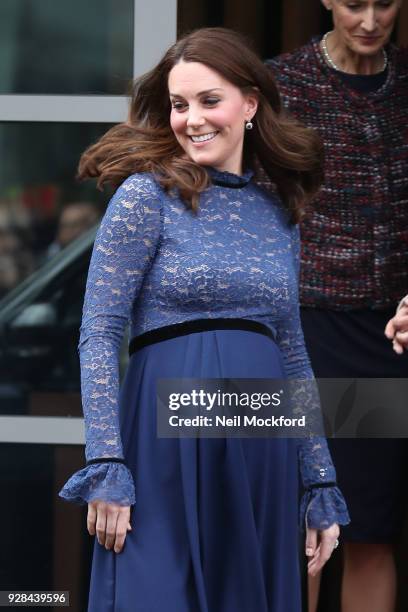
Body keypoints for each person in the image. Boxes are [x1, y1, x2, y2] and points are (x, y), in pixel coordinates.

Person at [59, 28, 349, 612]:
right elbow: (99, 332)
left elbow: (292, 349)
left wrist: (320, 480)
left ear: (250, 104)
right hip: (163, 443)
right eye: (178, 104)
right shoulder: (145, 197)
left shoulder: (278, 215)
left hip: (262, 446)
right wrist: (106, 460)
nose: (192, 119)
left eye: (208, 101)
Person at [266, 2, 408, 611]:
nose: (371, 19)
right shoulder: (279, 85)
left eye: (386, 2)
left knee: (373, 528)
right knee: (305, 525)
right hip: (310, 330)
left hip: (394, 332)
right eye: (355, 3)